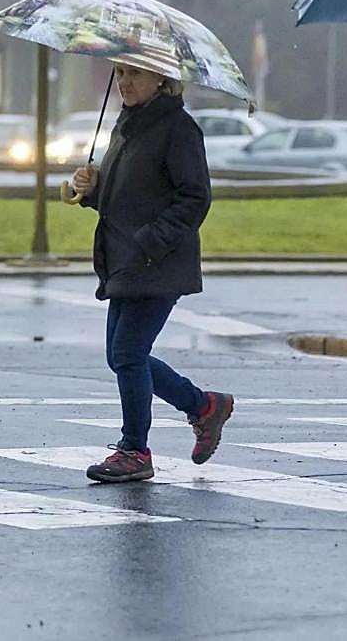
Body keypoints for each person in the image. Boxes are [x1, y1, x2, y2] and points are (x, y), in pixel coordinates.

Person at [72, 59, 234, 482]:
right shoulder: (127, 125)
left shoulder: (178, 129)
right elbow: (128, 193)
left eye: (134, 74)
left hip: (157, 263)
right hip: (124, 260)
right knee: (122, 356)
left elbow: (194, 198)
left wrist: (150, 241)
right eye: (120, 73)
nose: (124, 82)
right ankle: (203, 406)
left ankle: (135, 451)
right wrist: (92, 190)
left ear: (161, 79)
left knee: (127, 354)